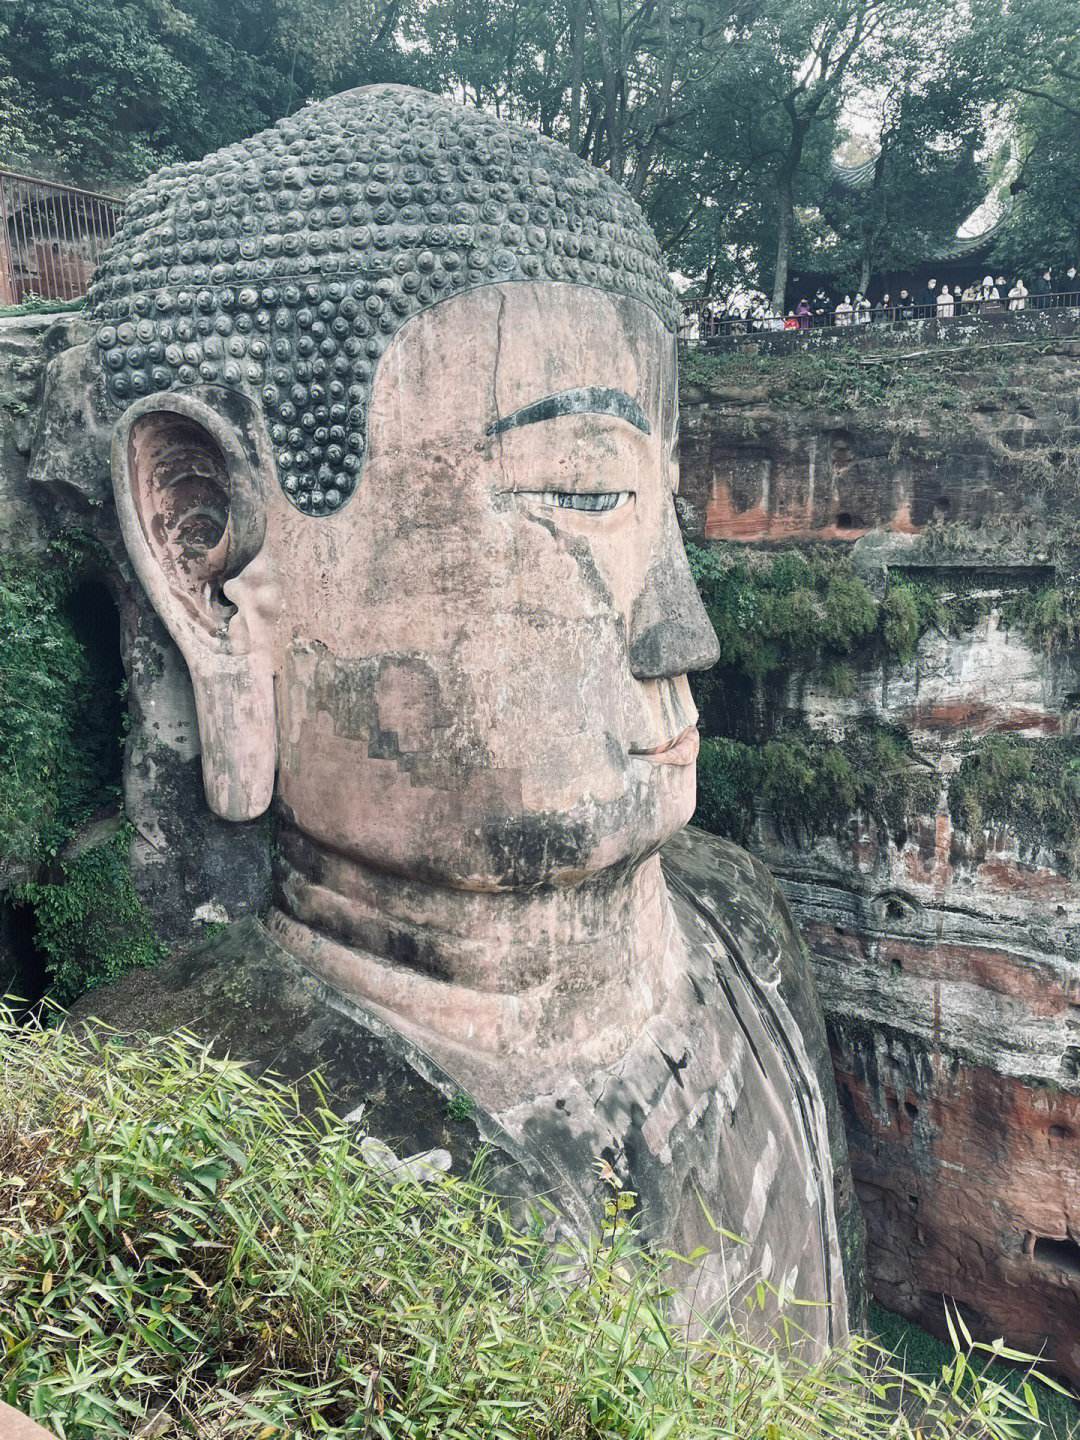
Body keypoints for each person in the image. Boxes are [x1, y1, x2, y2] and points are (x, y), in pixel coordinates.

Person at [77, 83, 850, 1351]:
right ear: (207, 558)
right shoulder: (199, 1153)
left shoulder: (743, 933)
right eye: (586, 492)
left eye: (662, 502)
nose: (683, 629)